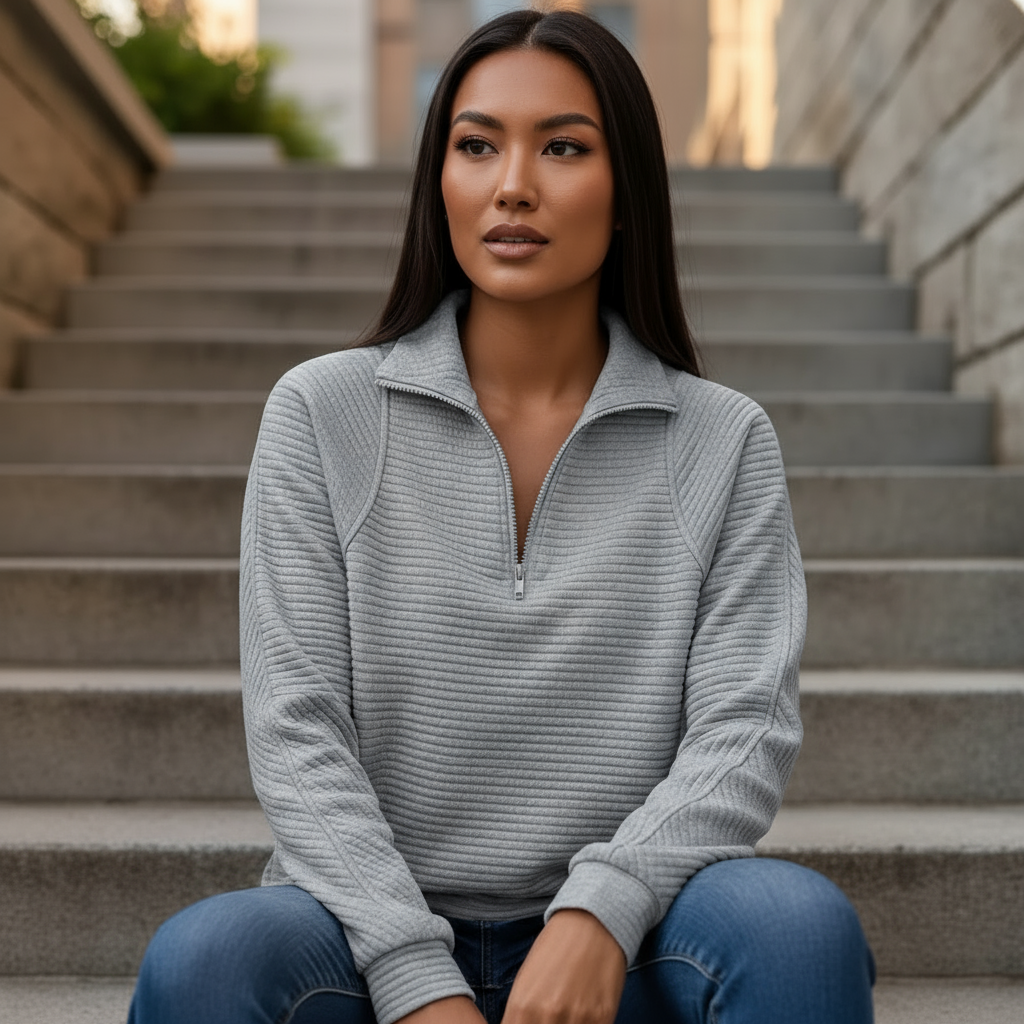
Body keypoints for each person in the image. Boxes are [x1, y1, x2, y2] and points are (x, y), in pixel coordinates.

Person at [128, 9, 875, 1024]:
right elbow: (296, 733)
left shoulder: (723, 439)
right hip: (363, 933)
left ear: (627, 195)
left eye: (562, 147)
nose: (511, 183)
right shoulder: (321, 411)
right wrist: (411, 972)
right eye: (475, 145)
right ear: (439, 182)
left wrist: (600, 914)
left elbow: (742, 732)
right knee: (205, 957)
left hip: (630, 944)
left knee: (797, 927)